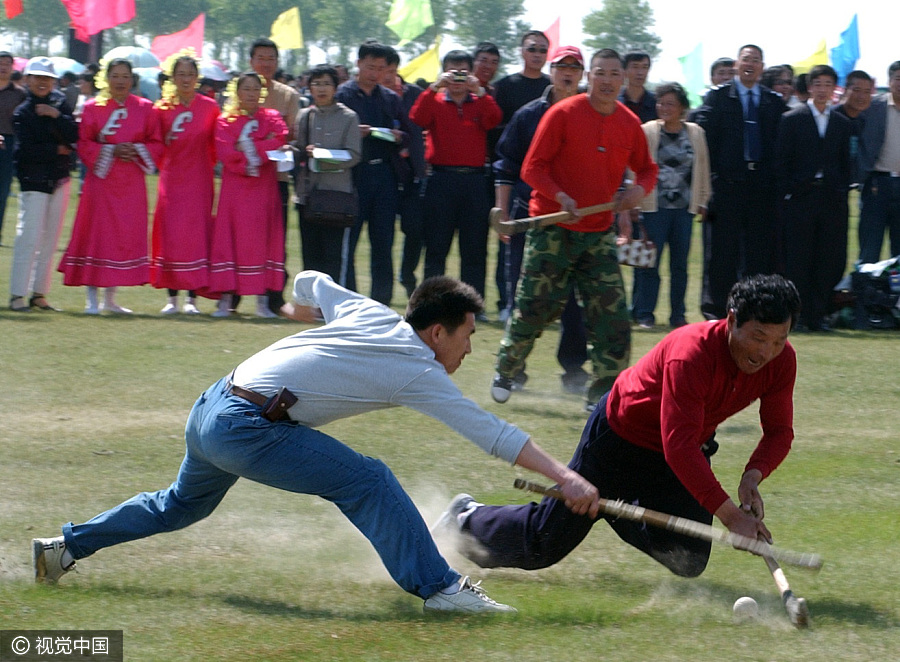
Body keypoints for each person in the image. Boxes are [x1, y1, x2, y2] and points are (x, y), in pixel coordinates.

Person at [32, 270, 600, 615]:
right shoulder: (417, 366)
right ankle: (442, 590)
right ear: (436, 333)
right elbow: (493, 433)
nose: (470, 350)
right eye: (468, 336)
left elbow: (312, 284)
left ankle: (62, 549)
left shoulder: (369, 312)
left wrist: (297, 313)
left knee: (179, 505)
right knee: (369, 479)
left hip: (211, 405)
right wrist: (566, 476)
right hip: (246, 427)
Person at [441, 274, 801, 580]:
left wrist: (752, 476)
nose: (766, 352)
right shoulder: (691, 353)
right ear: (732, 318)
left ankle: (609, 503)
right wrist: (732, 517)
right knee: (542, 544)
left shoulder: (781, 362)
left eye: (778, 340)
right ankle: (466, 519)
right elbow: (679, 445)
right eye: (757, 337)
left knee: (687, 557)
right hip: (618, 440)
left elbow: (778, 432)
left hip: (677, 451)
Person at [490, 49, 658, 411]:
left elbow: (647, 169)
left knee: (611, 315)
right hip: (552, 227)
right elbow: (532, 169)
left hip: (598, 232)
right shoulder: (562, 114)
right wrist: (560, 196)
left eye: (615, 74)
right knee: (534, 307)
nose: (608, 80)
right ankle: (507, 367)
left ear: (623, 79)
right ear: (590, 77)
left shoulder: (629, 123)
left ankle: (602, 393)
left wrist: (638, 192)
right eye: (601, 73)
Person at [493, 45, 590, 394]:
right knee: (527, 297)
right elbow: (505, 164)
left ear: (582, 74)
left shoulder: (594, 114)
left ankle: (575, 373)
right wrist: (503, 213)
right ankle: (512, 371)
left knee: (576, 300)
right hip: (530, 217)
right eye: (561, 66)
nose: (567, 72)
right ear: (551, 71)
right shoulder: (528, 115)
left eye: (574, 67)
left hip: (579, 221)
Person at [58, 58, 162, 314]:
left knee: (122, 237)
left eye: (125, 76)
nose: (120, 81)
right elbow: (84, 143)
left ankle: (111, 299)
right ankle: (91, 299)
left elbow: (157, 142)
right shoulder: (93, 107)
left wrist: (135, 149)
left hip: (131, 183)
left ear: (132, 79)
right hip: (101, 183)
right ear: (107, 78)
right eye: (115, 75)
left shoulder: (146, 108)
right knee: (97, 235)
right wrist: (112, 150)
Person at [694, 44, 787, 320]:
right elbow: (704, 143)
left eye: (756, 60)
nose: (750, 64)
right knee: (721, 252)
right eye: (746, 59)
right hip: (725, 186)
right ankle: (715, 310)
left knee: (758, 252)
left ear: (762, 67)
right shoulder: (718, 98)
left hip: (761, 187)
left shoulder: (773, 102)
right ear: (736, 64)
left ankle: (752, 309)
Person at [410, 49, 502, 302]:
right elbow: (417, 118)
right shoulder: (435, 100)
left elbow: (493, 120)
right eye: (453, 72)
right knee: (437, 246)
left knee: (474, 247)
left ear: (471, 73)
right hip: (441, 180)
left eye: (463, 73)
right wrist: (433, 88)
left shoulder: (480, 100)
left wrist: (480, 91)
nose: (458, 79)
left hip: (474, 181)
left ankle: (472, 304)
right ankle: (430, 302)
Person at [774, 65, 851, 332]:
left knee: (828, 259)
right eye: (817, 83)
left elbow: (846, 163)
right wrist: (791, 189)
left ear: (834, 89)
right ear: (809, 87)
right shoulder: (792, 118)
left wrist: (840, 189)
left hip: (831, 200)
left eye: (828, 84)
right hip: (800, 199)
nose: (822, 89)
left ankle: (818, 315)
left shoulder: (842, 123)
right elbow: (780, 161)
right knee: (798, 259)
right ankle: (797, 316)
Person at [206, 71, 287, 318]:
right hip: (235, 191)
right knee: (229, 241)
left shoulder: (271, 117)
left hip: (264, 190)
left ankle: (262, 303)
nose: (251, 94)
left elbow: (281, 139)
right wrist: (259, 147)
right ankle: (225, 301)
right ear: (237, 92)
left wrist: (250, 146)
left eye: (256, 89)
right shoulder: (225, 121)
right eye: (246, 89)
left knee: (261, 241)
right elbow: (225, 153)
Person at [335, 41, 410, 306]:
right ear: (358, 64)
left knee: (383, 242)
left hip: (384, 176)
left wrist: (396, 135)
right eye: (370, 67)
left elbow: (407, 135)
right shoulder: (342, 95)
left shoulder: (390, 99)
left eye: (381, 68)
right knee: (349, 242)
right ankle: (348, 300)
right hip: (352, 176)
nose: (375, 73)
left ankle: (381, 301)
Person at [631, 82, 711, 329]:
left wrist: (703, 199)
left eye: (670, 104)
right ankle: (644, 313)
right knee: (649, 263)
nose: (664, 108)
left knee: (680, 265)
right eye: (660, 103)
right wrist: (632, 199)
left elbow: (703, 167)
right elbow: (634, 167)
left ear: (682, 108)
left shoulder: (696, 133)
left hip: (683, 210)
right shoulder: (647, 131)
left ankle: (678, 315)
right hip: (653, 207)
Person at [150, 52, 219, 315]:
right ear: (172, 77)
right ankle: (172, 297)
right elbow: (156, 144)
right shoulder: (162, 108)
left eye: (191, 74)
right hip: (172, 178)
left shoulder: (209, 107)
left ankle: (192, 298)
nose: (186, 79)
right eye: (181, 74)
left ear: (197, 77)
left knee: (196, 234)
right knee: (170, 234)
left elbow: (215, 145)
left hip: (200, 179)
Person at [8, 57, 78, 312]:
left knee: (50, 239)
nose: (42, 82)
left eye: (47, 78)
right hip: (33, 180)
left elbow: (74, 135)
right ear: (27, 80)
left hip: (59, 179)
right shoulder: (23, 112)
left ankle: (39, 294)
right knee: (29, 237)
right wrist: (57, 149)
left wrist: (56, 115)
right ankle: (17, 295)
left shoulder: (61, 106)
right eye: (37, 77)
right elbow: (26, 151)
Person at [491, 31, 552, 319]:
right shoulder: (505, 86)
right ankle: (506, 303)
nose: (537, 54)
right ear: (522, 51)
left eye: (542, 49)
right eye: (532, 48)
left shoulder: (552, 89)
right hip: (513, 174)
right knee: (509, 245)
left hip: (549, 181)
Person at [294, 64, 362, 283]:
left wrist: (323, 158)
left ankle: (331, 305)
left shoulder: (348, 117)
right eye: (316, 84)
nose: (321, 89)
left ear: (336, 87)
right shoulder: (304, 115)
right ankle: (311, 307)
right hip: (308, 195)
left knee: (333, 256)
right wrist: (290, 150)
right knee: (309, 255)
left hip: (336, 196)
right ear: (309, 87)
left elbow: (353, 155)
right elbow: (300, 149)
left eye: (326, 84)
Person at [249, 38, 301, 314]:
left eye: (270, 58)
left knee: (275, 238)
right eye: (260, 58)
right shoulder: (237, 92)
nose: (265, 63)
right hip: (243, 180)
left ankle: (273, 298)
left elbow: (292, 133)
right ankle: (232, 297)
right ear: (251, 61)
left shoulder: (288, 95)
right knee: (239, 236)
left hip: (275, 179)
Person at [382, 50, 427, 299]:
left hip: (413, 175)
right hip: (385, 174)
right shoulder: (375, 97)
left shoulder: (414, 94)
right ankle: (383, 290)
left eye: (389, 71)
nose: (385, 77)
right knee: (383, 233)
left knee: (415, 230)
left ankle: (407, 276)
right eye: (380, 71)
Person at [856, 61, 900, 264]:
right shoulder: (873, 107)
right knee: (870, 248)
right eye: (898, 79)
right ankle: (866, 292)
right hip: (877, 185)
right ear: (889, 81)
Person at [0, 51, 26, 245]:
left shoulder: (19, 94)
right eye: (0, 63)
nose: (3, 67)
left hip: (8, 145)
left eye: (7, 64)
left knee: (2, 191)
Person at [833, 69, 873, 187]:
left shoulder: (864, 120)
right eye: (856, 90)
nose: (862, 96)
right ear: (845, 90)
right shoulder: (833, 117)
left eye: (867, 92)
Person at [618, 50, 657, 122]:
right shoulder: (614, 101)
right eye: (635, 67)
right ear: (624, 70)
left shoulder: (656, 103)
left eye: (645, 67)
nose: (640, 72)